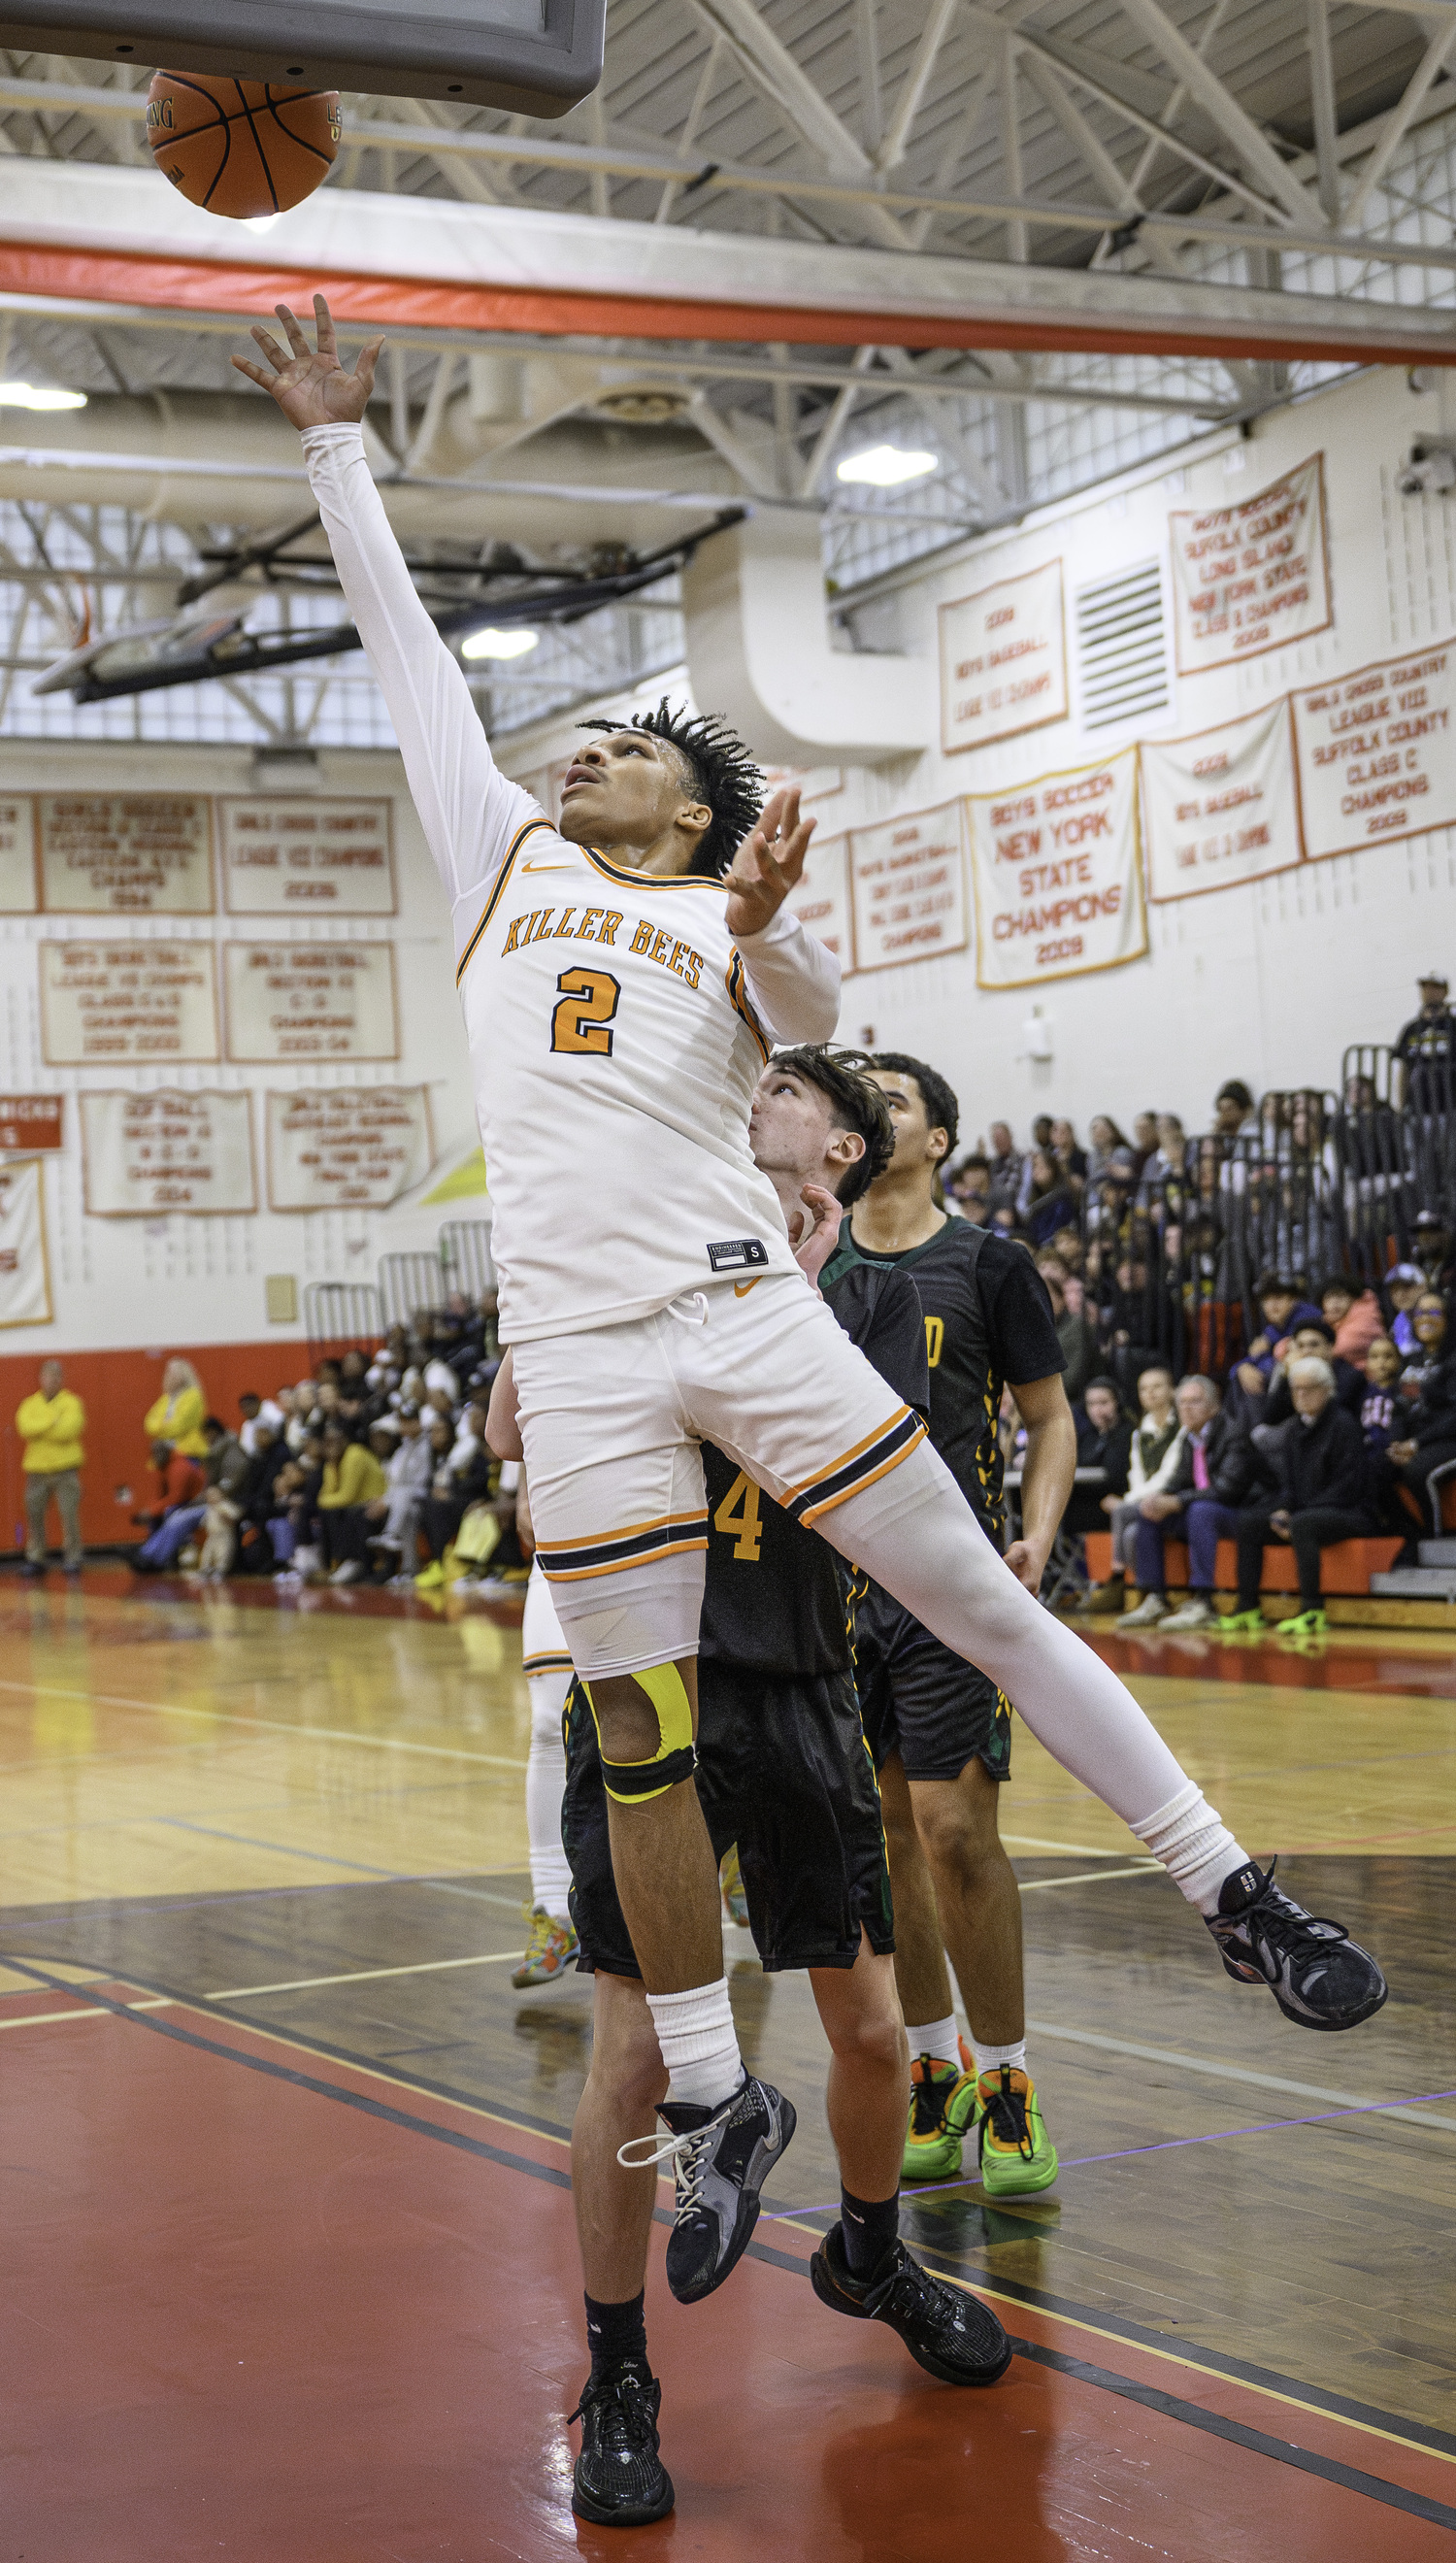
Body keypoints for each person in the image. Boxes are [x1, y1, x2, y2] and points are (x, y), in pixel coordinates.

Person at [240, 296, 1385, 2383]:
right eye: (578, 738)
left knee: (983, 1604)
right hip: (581, 1354)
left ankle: (1240, 1894)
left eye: (627, 747)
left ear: (687, 813)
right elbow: (407, 649)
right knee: (632, 1738)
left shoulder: (727, 913)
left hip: (736, 1311)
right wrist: (337, 449)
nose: (579, 748)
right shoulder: (500, 864)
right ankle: (706, 2095)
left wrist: (768, 933)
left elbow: (819, 1029)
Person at [556, 1048, 1009, 2525]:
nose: (767, 1088)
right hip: (655, 1682)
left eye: (806, 1088)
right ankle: (617, 2370)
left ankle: (870, 2251)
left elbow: (825, 1471)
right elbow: (516, 1436)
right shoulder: (629, 1247)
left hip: (807, 1678)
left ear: (844, 1152)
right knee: (631, 2052)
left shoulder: (875, 1295)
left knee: (872, 2031)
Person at [824, 1051, 1073, 2202]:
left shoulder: (987, 1262)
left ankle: (1011, 2081)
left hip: (953, 1580)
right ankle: (936, 2069)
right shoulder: (804, 1266)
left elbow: (1048, 1417)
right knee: (881, 1835)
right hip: (834, 1591)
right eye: (857, 1094)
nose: (872, 1107)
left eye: (896, 1097)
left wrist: (1037, 1534)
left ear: (934, 1139)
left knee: (951, 1830)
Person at [1217, 1357, 1373, 1637]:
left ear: (1327, 1389)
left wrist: (1297, 1514)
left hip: (1351, 1512)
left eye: (1309, 1388)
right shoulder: (1295, 1429)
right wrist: (1284, 1509)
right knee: (1250, 1523)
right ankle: (1248, 1606)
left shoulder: (1344, 1425)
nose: (1301, 1395)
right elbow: (1289, 1485)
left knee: (1303, 1524)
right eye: (1296, 1389)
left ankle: (1312, 1609)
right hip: (1307, 1511)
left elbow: (1347, 1487)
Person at [1119, 1377, 1262, 1631]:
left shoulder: (1234, 1433)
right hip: (1205, 1509)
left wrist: (1177, 1500)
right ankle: (1156, 1597)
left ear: (1214, 1407)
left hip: (1241, 1512)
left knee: (1199, 1511)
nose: (1187, 1408)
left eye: (1195, 1402)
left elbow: (1227, 1490)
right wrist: (1160, 1498)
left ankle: (1203, 1601)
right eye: (1182, 1402)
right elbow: (1179, 1481)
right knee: (1150, 1510)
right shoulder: (1189, 1438)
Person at [1099, 1362, 1183, 1596]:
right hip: (1144, 1502)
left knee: (1120, 1512)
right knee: (1130, 1533)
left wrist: (1129, 1502)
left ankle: (1117, 1578)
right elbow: (1135, 1473)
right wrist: (1134, 1498)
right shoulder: (1139, 1432)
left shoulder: (1181, 1427)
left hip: (1171, 1498)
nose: (1150, 1393)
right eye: (1143, 1388)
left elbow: (1169, 1473)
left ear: (1171, 1391)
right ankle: (1146, 1593)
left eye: (1157, 1386)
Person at [1385, 1295, 1456, 1541]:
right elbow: (1399, 1409)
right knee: (1376, 1469)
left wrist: (1416, 1444)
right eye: (1420, 1313)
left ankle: (1433, 1538)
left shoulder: (1452, 1359)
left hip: (1448, 1439)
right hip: (1417, 1441)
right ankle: (1407, 1534)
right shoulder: (1409, 1363)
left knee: (1417, 1470)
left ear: (1448, 1320)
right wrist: (1396, 1444)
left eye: (1434, 1313)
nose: (1425, 1318)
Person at [16, 1358, 85, 1578]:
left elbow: (69, 1430)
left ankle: (73, 1558)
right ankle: (36, 1559)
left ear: (62, 1379)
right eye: (47, 1376)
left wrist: (41, 1430)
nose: (51, 1380)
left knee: (69, 1516)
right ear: (41, 1378)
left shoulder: (72, 1402)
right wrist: (52, 1422)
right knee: (34, 1515)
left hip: (65, 1469)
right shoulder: (29, 1404)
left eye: (56, 1376)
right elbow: (25, 1428)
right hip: (36, 1470)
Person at [314, 1422, 387, 1586]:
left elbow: (347, 1496)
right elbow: (327, 1493)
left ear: (344, 1439)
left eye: (334, 1440)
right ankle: (333, 1564)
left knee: (342, 1512)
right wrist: (332, 1464)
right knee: (331, 1512)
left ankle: (354, 1562)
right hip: (358, 1505)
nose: (330, 1444)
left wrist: (322, 1501)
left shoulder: (355, 1454)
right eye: (327, 1441)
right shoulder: (333, 1461)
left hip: (379, 1502)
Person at [131, 1440, 207, 1570]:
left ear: (166, 1451)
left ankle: (155, 1559)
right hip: (188, 1505)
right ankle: (147, 1555)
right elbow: (159, 1495)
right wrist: (150, 1511)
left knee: (173, 1517)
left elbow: (175, 1498)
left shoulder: (180, 1467)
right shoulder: (165, 1467)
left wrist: (152, 1511)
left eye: (157, 1452)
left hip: (199, 1506)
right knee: (162, 1516)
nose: (155, 1455)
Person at [1037, 1250, 1098, 1404]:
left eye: (1048, 1295)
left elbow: (1072, 1379)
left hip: (1073, 1402)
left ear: (1062, 1299)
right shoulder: (1034, 1329)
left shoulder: (1076, 1326)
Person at [1393, 970, 1456, 1113]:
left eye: (1435, 988)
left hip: (1450, 1106)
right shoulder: (1411, 1028)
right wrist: (1400, 1106)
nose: (1429, 992)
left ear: (1445, 992)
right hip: (1418, 1106)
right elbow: (1404, 1069)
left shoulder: (1453, 1025)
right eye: (1425, 988)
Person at [143, 1357, 210, 1461]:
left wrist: (160, 1428)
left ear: (184, 1374)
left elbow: (180, 1425)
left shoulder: (193, 1396)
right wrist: (163, 1425)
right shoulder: (166, 1398)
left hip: (188, 1453)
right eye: (168, 1372)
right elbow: (148, 1423)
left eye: (174, 1372)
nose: (170, 1375)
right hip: (168, 1454)